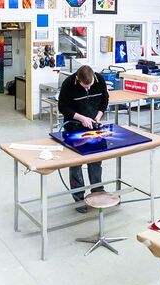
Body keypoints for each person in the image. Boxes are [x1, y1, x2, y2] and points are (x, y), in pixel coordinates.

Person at [57, 65, 109, 214]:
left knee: (96, 159)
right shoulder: (68, 84)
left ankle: (97, 190)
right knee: (76, 163)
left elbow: (104, 100)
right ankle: (78, 198)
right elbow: (63, 107)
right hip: (74, 127)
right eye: (84, 86)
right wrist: (81, 118)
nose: (88, 88)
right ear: (77, 79)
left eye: (90, 85)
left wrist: (97, 117)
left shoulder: (100, 80)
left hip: (94, 126)